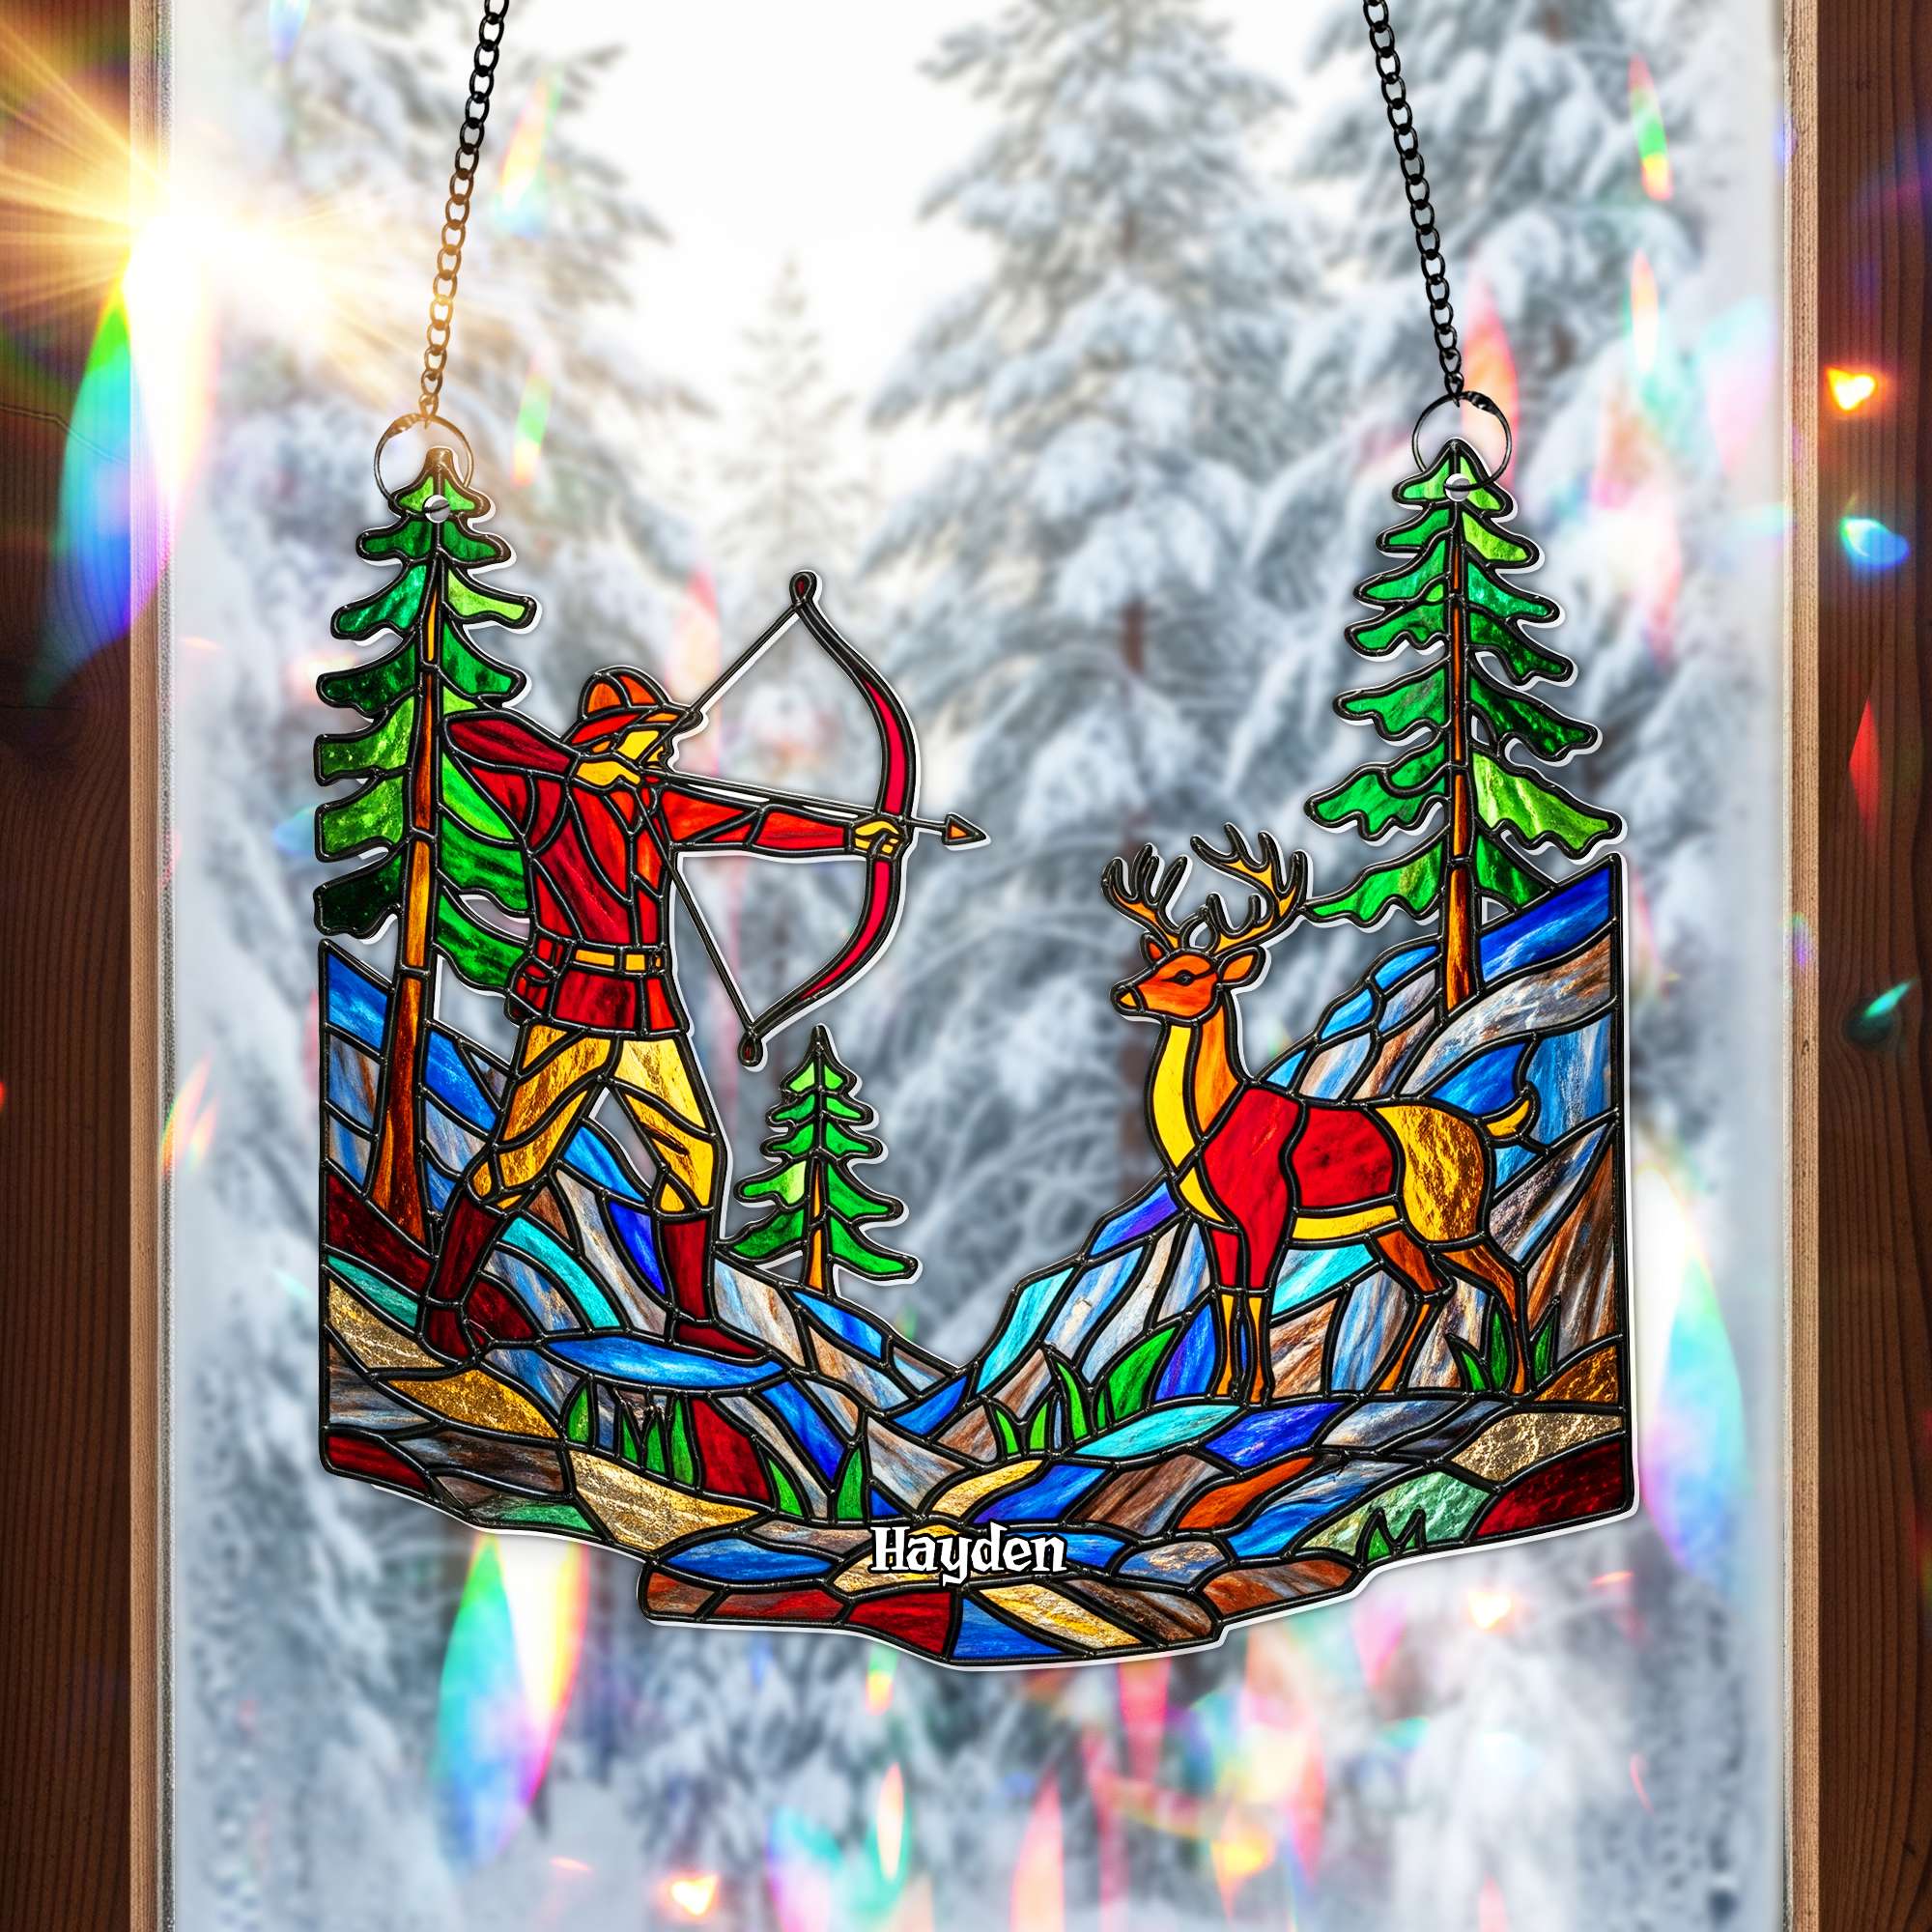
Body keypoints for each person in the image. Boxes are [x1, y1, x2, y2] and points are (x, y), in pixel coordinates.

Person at [420, 667, 904, 1362]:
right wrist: (574, 767)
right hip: (573, 1011)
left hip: (648, 1015)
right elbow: (467, 732)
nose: (667, 749)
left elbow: (755, 823)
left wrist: (855, 836)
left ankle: (691, 1318)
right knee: (519, 1160)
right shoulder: (545, 795)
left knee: (697, 1158)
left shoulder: (656, 803)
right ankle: (442, 1304)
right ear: (614, 737)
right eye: (653, 734)